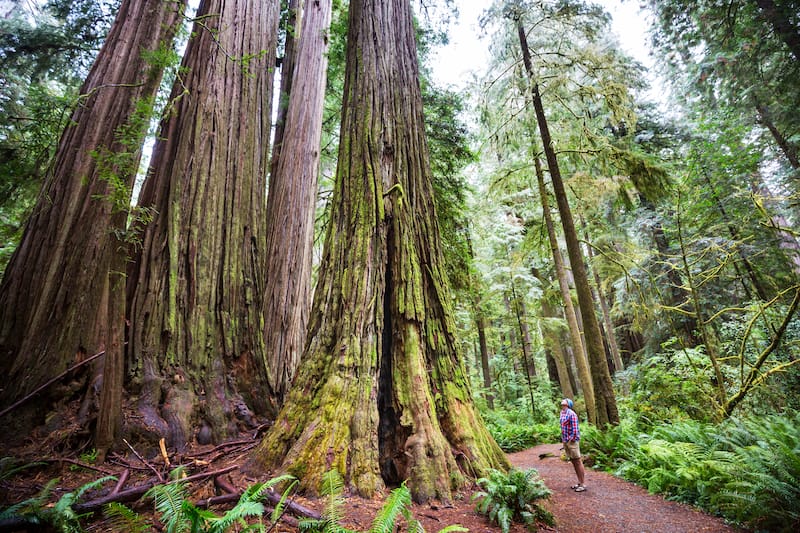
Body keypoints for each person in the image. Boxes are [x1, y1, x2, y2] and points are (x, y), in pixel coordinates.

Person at [560, 398, 586, 492]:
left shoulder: (572, 414)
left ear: (568, 404)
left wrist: (571, 439)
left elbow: (575, 429)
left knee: (578, 461)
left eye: (565, 400)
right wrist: (564, 440)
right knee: (573, 461)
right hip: (565, 440)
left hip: (572, 441)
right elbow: (563, 426)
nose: (563, 401)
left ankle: (583, 484)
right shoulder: (562, 413)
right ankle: (579, 482)